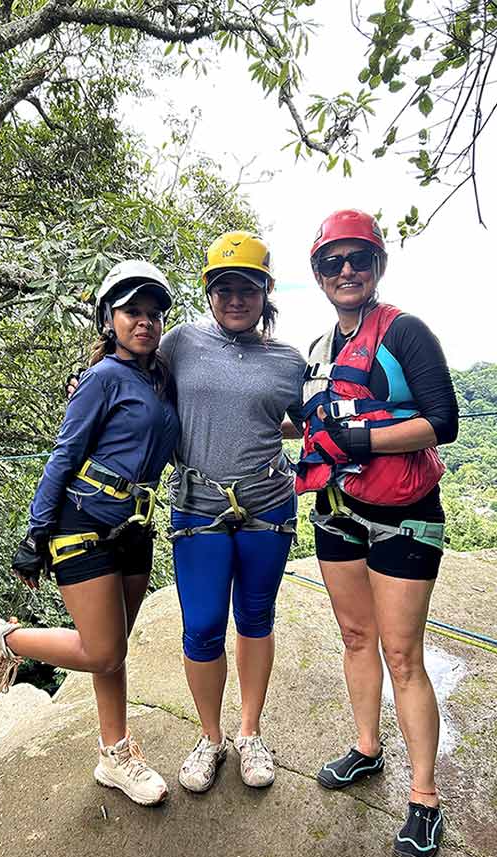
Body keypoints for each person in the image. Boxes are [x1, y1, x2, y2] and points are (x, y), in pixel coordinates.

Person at [0, 260, 180, 807]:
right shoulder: (104, 377)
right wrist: (36, 533)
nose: (146, 322)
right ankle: (4, 638)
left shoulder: (159, 379)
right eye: (133, 311)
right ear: (108, 320)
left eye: (154, 314)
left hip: (135, 527)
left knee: (113, 652)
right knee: (103, 650)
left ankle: (115, 757)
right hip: (81, 525)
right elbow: (65, 454)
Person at [295, 209, 458, 857]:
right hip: (337, 513)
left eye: (358, 258)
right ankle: (366, 747)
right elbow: (302, 422)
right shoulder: (317, 350)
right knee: (356, 637)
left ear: (377, 266)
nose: (346, 271)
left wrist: (360, 437)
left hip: (404, 515)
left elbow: (441, 420)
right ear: (319, 274)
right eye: (333, 261)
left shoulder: (405, 331)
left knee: (403, 656)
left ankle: (424, 798)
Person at [159, 232, 305, 793]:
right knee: (201, 627)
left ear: (266, 292)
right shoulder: (180, 344)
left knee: (256, 617)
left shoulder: (288, 361)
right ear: (209, 293)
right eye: (224, 288)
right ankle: (210, 736)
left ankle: (249, 733)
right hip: (198, 506)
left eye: (247, 287)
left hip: (267, 505)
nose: (235, 298)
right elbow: (137, 378)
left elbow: (306, 419)